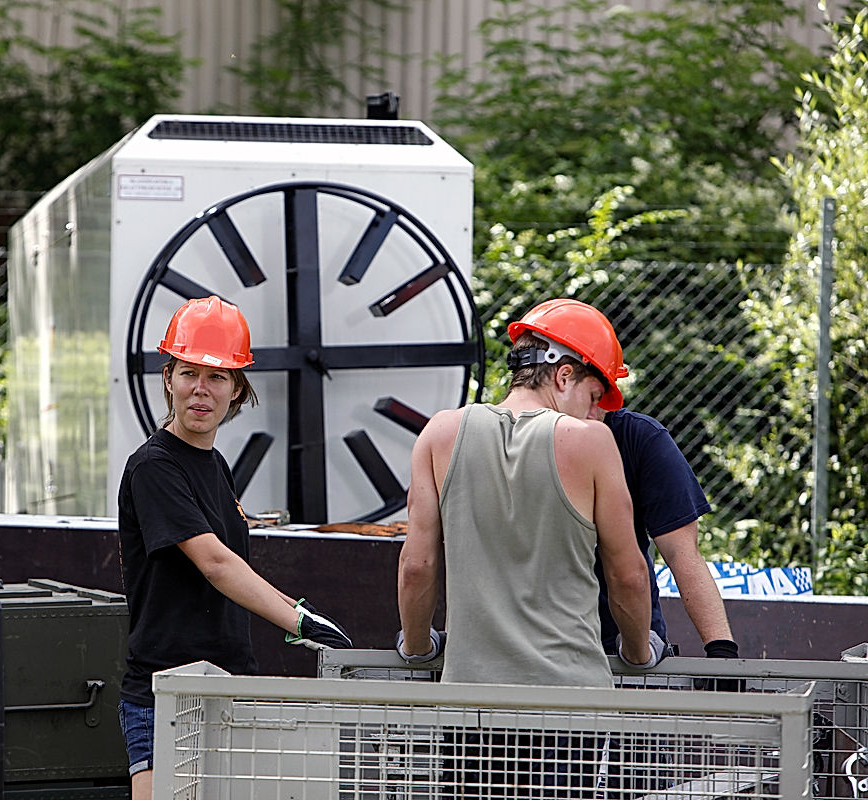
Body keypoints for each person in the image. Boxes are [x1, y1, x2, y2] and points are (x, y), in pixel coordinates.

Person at [396, 298, 665, 796]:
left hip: (470, 705)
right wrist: (637, 651)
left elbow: (418, 566)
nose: (595, 414)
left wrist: (416, 649)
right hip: (568, 706)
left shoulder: (439, 434)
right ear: (563, 376)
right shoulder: (591, 446)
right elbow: (628, 576)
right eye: (592, 396)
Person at [116, 295, 353, 800]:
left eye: (217, 376)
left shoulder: (215, 464)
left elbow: (232, 564)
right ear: (168, 379)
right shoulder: (154, 466)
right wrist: (300, 623)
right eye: (189, 373)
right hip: (165, 692)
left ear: (237, 387)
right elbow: (217, 563)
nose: (201, 390)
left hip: (227, 686)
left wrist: (301, 611)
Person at [590, 406, 738, 661]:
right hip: (542, 642)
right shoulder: (522, 437)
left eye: (601, 394)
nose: (593, 406)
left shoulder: (640, 437)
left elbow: (683, 554)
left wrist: (721, 649)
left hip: (626, 649)